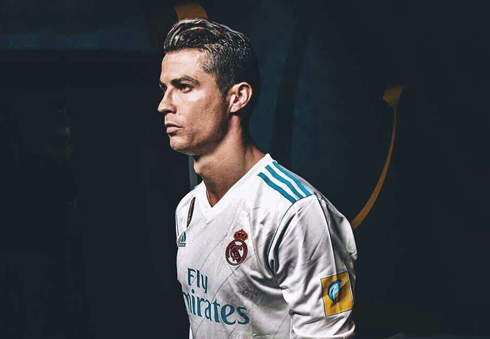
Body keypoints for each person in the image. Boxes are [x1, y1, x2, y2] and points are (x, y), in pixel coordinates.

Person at [158, 18, 357, 339]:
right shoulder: (188, 208)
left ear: (237, 97)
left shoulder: (295, 211)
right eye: (164, 89)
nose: (164, 105)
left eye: (184, 87)